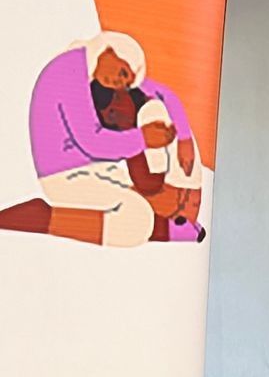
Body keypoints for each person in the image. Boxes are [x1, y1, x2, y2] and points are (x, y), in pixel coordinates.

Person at [0, 30, 200, 246]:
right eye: (122, 73)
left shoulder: (83, 67)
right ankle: (42, 218)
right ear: (111, 51)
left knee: (141, 200)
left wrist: (185, 140)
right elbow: (93, 143)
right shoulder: (70, 72)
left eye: (125, 83)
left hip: (88, 168)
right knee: (137, 218)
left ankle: (169, 227)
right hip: (64, 176)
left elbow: (164, 94)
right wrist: (143, 138)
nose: (118, 83)